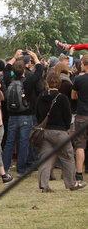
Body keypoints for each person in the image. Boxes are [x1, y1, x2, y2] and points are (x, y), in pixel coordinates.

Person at [36, 72, 86, 191]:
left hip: (45, 131)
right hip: (60, 131)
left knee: (45, 158)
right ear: (59, 84)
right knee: (67, 157)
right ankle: (71, 183)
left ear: (47, 83)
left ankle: (44, 184)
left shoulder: (41, 97)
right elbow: (67, 117)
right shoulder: (62, 98)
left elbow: (37, 114)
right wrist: (65, 128)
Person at [72, 55, 88, 183]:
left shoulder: (79, 79)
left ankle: (79, 173)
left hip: (82, 114)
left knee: (80, 145)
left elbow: (73, 96)